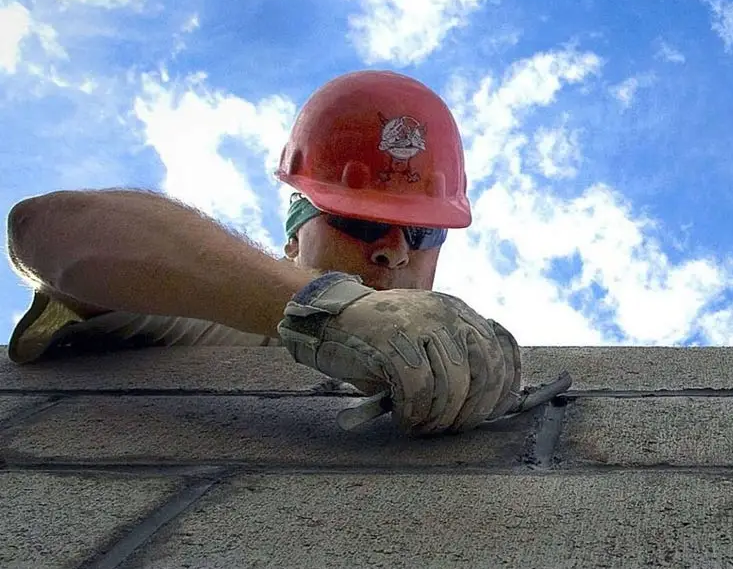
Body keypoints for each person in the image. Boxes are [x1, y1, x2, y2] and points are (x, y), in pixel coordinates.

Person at [5, 69, 522, 436]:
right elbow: (46, 228)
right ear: (296, 235)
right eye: (358, 222)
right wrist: (329, 307)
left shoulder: (454, 371)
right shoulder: (207, 318)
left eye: (423, 233)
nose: (394, 252)